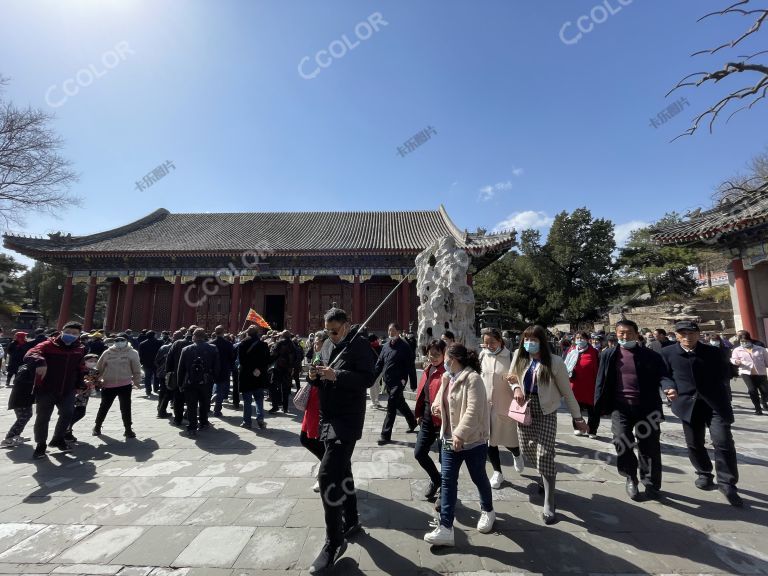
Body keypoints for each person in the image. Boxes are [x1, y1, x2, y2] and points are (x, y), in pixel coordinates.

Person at [307, 308, 374, 574]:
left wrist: (339, 375)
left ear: (346, 326)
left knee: (326, 476)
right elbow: (321, 379)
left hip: (347, 419)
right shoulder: (325, 345)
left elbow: (368, 379)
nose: (330, 335)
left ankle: (334, 541)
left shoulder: (359, 346)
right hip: (327, 417)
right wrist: (314, 377)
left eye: (334, 330)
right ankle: (353, 519)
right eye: (327, 330)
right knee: (342, 468)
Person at [508, 325, 587, 524]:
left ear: (541, 342)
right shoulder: (519, 355)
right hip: (524, 407)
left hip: (546, 410)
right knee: (527, 450)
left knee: (545, 453)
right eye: (526, 339)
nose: (529, 343)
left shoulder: (555, 362)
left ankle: (549, 501)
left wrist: (577, 417)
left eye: (533, 340)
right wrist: (516, 387)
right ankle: (544, 473)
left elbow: (567, 392)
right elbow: (511, 377)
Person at [661, 320, 742, 507]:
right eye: (683, 334)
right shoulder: (667, 353)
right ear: (676, 335)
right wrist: (669, 388)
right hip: (688, 404)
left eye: (691, 333)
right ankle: (704, 473)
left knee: (723, 442)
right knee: (694, 443)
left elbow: (726, 374)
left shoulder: (714, 352)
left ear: (698, 334)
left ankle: (727, 483)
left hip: (715, 404)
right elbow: (664, 376)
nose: (687, 337)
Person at [424, 343, 494, 546]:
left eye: (446, 357)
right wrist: (437, 407)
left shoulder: (474, 379)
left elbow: (474, 410)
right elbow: (439, 399)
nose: (444, 361)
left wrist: (460, 434)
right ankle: (445, 527)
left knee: (478, 477)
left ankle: (488, 510)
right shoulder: (447, 377)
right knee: (447, 481)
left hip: (472, 442)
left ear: (453, 359)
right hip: (448, 439)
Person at [594, 320, 667, 501]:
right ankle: (630, 477)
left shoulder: (651, 356)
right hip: (621, 407)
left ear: (636, 334)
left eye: (628, 333)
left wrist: (669, 388)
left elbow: (664, 375)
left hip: (647, 407)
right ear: (616, 334)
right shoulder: (609, 355)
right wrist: (597, 406)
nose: (624, 336)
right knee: (621, 440)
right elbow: (600, 380)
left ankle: (650, 483)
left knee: (649, 446)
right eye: (621, 333)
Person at [25, 321, 86, 459]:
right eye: (68, 332)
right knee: (43, 417)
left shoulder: (79, 348)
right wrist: (40, 361)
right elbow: (31, 353)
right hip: (46, 388)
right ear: (62, 331)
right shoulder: (48, 345)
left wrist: (80, 383)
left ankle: (58, 439)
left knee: (68, 413)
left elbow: (80, 367)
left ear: (79, 335)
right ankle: (41, 445)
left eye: (75, 333)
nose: (71, 335)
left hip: (68, 389)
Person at [480, 327, 524, 489]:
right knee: (490, 442)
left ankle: (517, 454)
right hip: (486, 407)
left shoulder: (510, 357)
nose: (489, 345)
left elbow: (516, 379)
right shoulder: (482, 356)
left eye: (492, 342)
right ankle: (498, 472)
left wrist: (516, 388)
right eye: (486, 343)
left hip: (505, 406)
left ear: (500, 341)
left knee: (508, 440)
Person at [413, 339, 446, 500]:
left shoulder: (448, 373)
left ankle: (445, 492)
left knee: (445, 460)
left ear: (445, 354)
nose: (433, 357)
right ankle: (436, 479)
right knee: (419, 453)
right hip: (427, 419)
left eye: (437, 354)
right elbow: (422, 394)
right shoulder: (428, 369)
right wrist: (418, 413)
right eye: (430, 354)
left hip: (444, 422)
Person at [376, 323, 418, 445]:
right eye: (389, 330)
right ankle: (412, 422)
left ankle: (385, 435)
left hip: (400, 381)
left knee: (391, 405)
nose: (391, 333)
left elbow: (410, 366)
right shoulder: (385, 346)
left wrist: (413, 383)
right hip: (388, 381)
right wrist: (371, 378)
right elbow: (379, 364)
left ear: (399, 332)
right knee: (400, 403)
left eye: (393, 330)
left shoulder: (405, 346)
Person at [93, 334, 142, 438]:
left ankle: (128, 429)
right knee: (104, 406)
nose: (119, 342)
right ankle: (97, 426)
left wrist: (137, 381)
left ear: (126, 341)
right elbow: (99, 366)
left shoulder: (132, 353)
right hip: (108, 383)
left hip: (125, 384)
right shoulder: (107, 352)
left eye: (122, 340)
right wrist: (96, 380)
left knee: (126, 407)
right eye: (117, 340)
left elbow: (136, 368)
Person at [177, 328, 220, 437]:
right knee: (205, 403)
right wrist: (214, 378)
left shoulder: (186, 349)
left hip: (190, 381)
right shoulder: (213, 348)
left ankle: (192, 427)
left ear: (194, 337)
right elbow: (217, 366)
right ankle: (204, 422)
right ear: (204, 336)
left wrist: (180, 383)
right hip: (206, 381)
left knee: (191, 405)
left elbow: (181, 368)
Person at [302, 331, 328, 492]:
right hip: (311, 402)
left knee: (315, 440)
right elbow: (310, 379)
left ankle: (324, 473)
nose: (314, 344)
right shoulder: (317, 357)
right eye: (315, 342)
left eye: (318, 342)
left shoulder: (329, 358)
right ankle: (329, 466)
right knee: (305, 438)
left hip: (320, 403)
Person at [565, 331, 600, 438]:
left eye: (582, 338)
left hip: (591, 386)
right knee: (576, 408)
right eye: (577, 338)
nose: (579, 340)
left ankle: (592, 430)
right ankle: (577, 428)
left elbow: (598, 368)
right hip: (575, 386)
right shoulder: (571, 351)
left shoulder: (594, 352)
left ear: (587, 339)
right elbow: (565, 365)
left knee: (593, 410)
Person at [238, 325, 271, 430]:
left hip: (246, 375)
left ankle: (247, 422)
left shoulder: (242, 344)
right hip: (259, 375)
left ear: (247, 333)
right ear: (258, 333)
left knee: (247, 400)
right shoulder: (264, 344)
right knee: (259, 399)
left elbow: (242, 361)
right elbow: (267, 360)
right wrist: (259, 369)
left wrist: (251, 369)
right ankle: (260, 419)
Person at [730, 331, 768, 415]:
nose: (744, 343)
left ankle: (764, 402)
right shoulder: (737, 350)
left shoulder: (760, 349)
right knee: (752, 390)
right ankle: (758, 408)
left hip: (760, 373)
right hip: (746, 372)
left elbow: (767, 361)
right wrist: (736, 361)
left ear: (750, 340)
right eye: (742, 342)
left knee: (765, 391)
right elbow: (732, 359)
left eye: (745, 341)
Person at [1, 357, 36, 448]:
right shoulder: (26, 370)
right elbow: (23, 383)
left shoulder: (25, 368)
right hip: (20, 399)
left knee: (24, 416)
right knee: (24, 417)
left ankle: (16, 436)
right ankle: (8, 438)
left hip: (22, 398)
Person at [65, 353, 99, 442]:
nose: (93, 363)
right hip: (75, 393)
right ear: (84, 361)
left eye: (95, 361)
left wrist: (97, 383)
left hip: (85, 394)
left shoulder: (95, 371)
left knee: (79, 412)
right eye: (90, 361)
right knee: (77, 412)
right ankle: (67, 430)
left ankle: (67, 430)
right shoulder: (79, 369)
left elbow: (96, 381)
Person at [268, 331, 296, 414]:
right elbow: (297, 357)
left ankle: (275, 406)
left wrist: (268, 361)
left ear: (282, 336)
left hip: (278, 368)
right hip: (288, 369)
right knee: (286, 388)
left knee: (273, 386)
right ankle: (285, 407)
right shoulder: (293, 344)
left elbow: (274, 354)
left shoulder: (280, 343)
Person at [211, 325, 235, 417]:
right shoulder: (228, 344)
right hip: (224, 369)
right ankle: (217, 410)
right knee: (220, 390)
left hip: (212, 370)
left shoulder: (211, 343)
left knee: (210, 388)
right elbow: (232, 357)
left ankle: (208, 405)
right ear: (223, 332)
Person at [138, 331, 162, 397]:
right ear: (154, 335)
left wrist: (141, 362)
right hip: (156, 362)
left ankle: (148, 390)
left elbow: (140, 355)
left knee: (147, 377)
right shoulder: (159, 342)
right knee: (156, 376)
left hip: (146, 363)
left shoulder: (142, 344)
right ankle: (156, 388)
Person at [367, 334, 382, 409]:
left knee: (372, 385)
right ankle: (377, 400)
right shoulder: (380, 347)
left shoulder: (369, 348)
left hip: (372, 369)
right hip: (380, 369)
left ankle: (373, 403)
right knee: (377, 384)